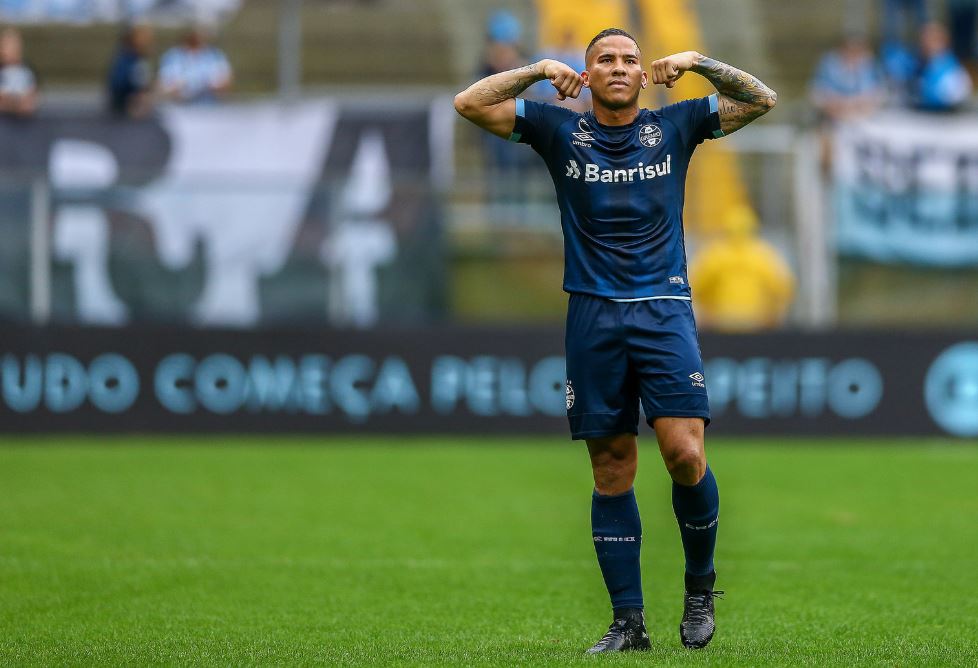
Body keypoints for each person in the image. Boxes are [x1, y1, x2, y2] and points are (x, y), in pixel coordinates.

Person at [454, 27, 776, 653]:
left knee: (684, 454)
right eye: (606, 60)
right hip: (593, 315)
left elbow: (762, 99)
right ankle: (629, 623)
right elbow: (469, 103)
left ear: (642, 71)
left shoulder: (676, 125)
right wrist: (537, 69)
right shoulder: (558, 130)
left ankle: (700, 585)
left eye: (630, 59)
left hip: (664, 311)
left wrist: (699, 61)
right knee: (611, 467)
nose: (621, 68)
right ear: (588, 73)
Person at [690, 205, 795, 332]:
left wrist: (705, 313)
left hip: (721, 323)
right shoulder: (763, 255)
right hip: (756, 322)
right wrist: (772, 315)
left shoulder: (714, 255)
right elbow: (783, 288)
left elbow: (694, 286)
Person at [158, 25, 232, 104]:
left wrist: (209, 87)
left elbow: (225, 81)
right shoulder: (173, 56)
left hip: (209, 105)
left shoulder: (215, 55)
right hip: (180, 105)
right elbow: (164, 85)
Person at [909, 21, 973, 111]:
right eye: (923, 40)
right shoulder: (922, 66)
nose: (924, 45)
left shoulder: (951, 70)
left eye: (931, 39)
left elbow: (956, 95)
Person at [107, 23, 155, 118]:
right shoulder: (129, 59)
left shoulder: (132, 58)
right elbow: (121, 83)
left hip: (127, 99)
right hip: (125, 101)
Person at [0, 27, 37, 117]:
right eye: (7, 46)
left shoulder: (28, 72)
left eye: (15, 47)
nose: (12, 51)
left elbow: (31, 103)